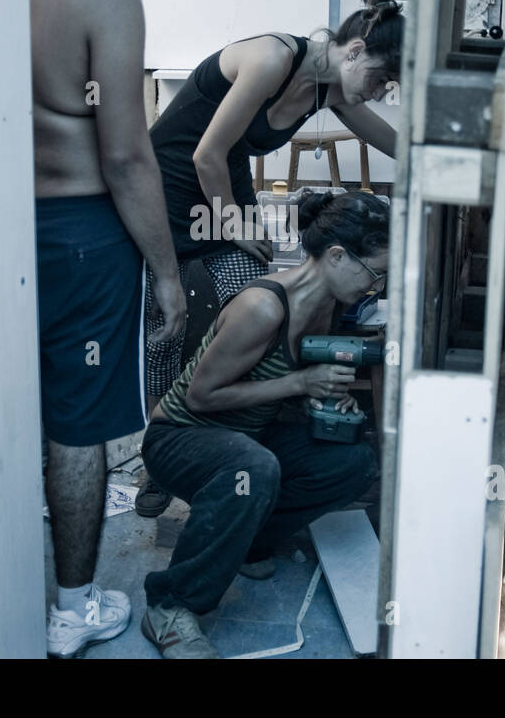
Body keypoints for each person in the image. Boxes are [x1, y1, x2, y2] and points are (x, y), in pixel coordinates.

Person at [135, 0, 404, 517]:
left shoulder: (333, 91)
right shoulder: (272, 58)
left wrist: (454, 160)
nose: (377, 93)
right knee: (173, 315)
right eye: (378, 79)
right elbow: (205, 152)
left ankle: (226, 446)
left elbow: (399, 143)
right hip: (169, 177)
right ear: (353, 53)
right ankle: (159, 459)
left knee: (241, 303)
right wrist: (233, 222)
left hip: (221, 183)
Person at [28, 0, 186, 658]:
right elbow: (127, 157)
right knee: (79, 428)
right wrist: (165, 272)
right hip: (85, 235)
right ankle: (72, 609)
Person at [140, 191, 387, 658]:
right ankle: (170, 604)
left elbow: (291, 393)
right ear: (337, 256)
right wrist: (300, 382)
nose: (375, 286)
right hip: (179, 437)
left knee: (352, 461)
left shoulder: (329, 305)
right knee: (252, 468)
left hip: (247, 434)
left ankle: (245, 541)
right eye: (374, 272)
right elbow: (201, 396)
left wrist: (331, 409)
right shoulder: (264, 306)